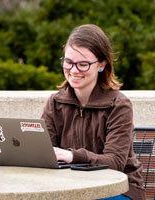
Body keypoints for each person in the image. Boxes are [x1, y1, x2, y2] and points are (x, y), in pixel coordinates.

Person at [41, 24, 145, 200]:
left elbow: (115, 162)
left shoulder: (119, 105)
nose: (74, 70)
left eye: (83, 64)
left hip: (118, 190)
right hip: (71, 188)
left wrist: (72, 156)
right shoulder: (55, 102)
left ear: (102, 65)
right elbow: (43, 152)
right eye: (68, 62)